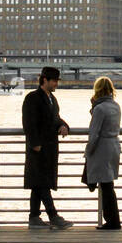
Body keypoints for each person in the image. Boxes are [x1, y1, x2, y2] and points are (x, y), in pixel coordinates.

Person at [22, 66, 73, 229]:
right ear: (45, 80)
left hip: (49, 148)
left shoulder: (52, 99)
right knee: (42, 182)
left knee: (39, 183)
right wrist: (35, 144)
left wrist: (64, 125)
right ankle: (53, 215)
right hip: (38, 148)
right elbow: (28, 123)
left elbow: (55, 118)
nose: (56, 84)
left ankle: (34, 217)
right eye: (54, 81)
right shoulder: (33, 98)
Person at [84, 77, 122, 230]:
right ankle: (113, 220)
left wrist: (88, 152)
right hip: (113, 145)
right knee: (108, 184)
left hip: (102, 148)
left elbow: (94, 133)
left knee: (105, 186)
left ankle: (112, 220)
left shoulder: (99, 109)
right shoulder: (115, 106)